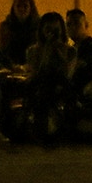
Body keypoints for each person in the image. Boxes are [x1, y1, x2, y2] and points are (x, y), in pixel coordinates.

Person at [20, 12, 77, 142]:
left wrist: (58, 52)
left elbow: (67, 74)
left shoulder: (71, 51)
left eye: (56, 30)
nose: (52, 34)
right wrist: (46, 52)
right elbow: (37, 73)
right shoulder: (32, 51)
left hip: (61, 87)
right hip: (39, 87)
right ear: (42, 31)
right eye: (48, 29)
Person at [0, 0, 40, 68]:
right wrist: (13, 66)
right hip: (11, 68)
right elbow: (3, 51)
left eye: (25, 6)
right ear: (13, 8)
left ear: (31, 8)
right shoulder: (5, 27)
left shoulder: (39, 26)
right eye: (18, 6)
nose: (21, 9)